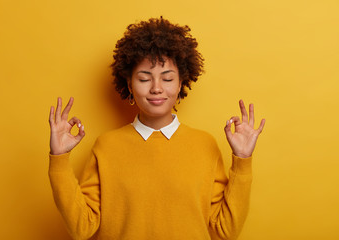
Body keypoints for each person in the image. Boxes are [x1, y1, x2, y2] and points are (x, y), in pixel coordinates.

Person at [48, 17, 265, 240]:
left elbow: (226, 231)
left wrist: (242, 160)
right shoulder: (107, 146)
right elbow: (81, 228)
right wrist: (59, 160)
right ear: (130, 85)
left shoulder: (205, 145)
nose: (156, 88)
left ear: (181, 83)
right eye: (144, 78)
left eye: (167, 78)